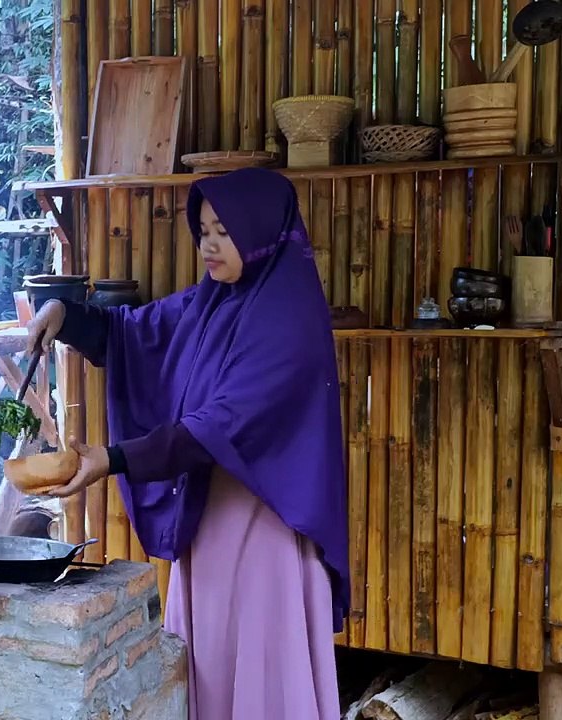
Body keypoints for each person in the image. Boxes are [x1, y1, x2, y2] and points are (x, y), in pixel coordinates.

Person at [25, 167, 348, 720]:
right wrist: (65, 316)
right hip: (210, 519)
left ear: (261, 229)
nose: (209, 243)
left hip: (263, 528)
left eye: (224, 229)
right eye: (202, 230)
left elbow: (215, 427)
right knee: (208, 668)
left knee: (260, 675)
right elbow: (135, 334)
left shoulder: (287, 322)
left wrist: (112, 459)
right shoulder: (212, 302)